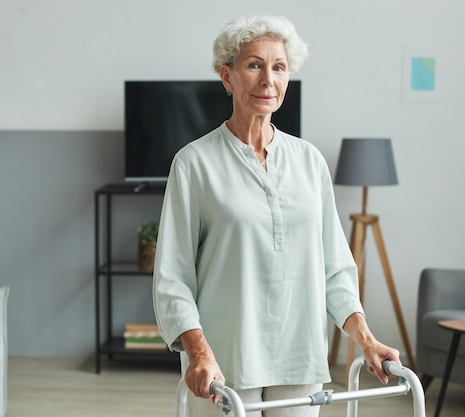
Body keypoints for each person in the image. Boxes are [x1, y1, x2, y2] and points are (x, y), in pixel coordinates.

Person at [152, 15, 401, 417]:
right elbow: (173, 277)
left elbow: (335, 268)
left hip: (299, 358)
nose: (268, 79)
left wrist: (366, 339)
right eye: (254, 64)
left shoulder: (309, 161)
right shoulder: (193, 164)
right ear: (227, 76)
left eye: (279, 67)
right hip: (225, 361)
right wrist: (198, 352)